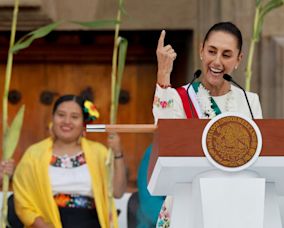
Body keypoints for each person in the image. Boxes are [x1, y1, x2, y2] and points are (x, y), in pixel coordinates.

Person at [153, 21, 263, 227]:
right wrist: (164, 73)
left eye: (227, 55)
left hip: (235, 206)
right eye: (212, 51)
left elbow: (260, 157)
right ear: (201, 51)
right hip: (188, 204)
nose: (217, 61)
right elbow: (164, 135)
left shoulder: (249, 101)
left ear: (239, 60)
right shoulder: (180, 97)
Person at [13, 95, 127, 228]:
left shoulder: (98, 152)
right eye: (61, 115)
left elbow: (117, 192)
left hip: (90, 222)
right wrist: (41, 225)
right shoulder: (34, 154)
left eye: (74, 117)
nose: (67, 121)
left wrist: (117, 152)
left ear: (83, 122)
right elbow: (22, 200)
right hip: (48, 223)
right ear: (53, 118)